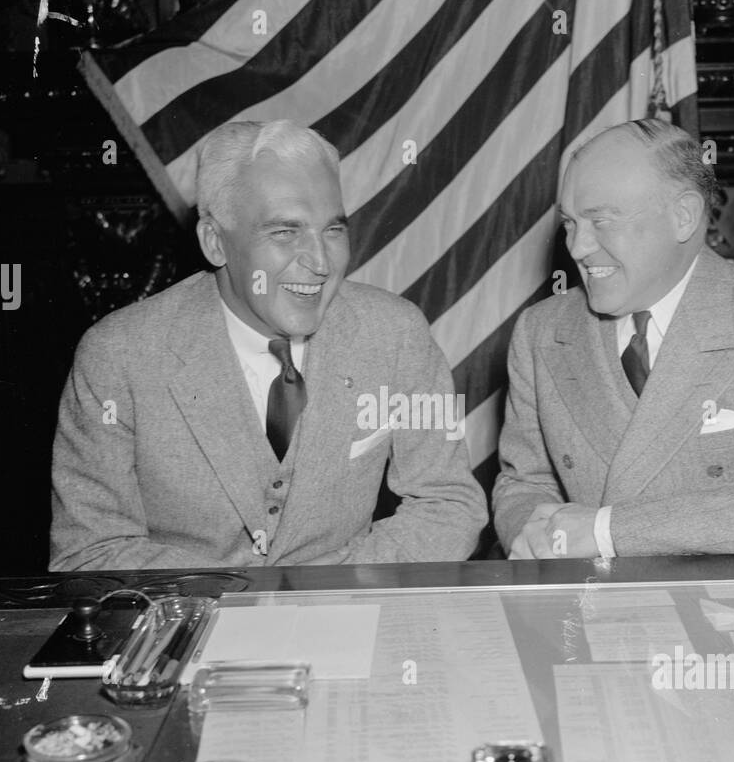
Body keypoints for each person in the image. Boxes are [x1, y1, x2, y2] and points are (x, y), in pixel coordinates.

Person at [50, 119, 486, 570]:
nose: (320, 263)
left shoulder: (397, 333)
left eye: (333, 231)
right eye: (285, 232)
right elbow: (90, 551)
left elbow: (450, 505)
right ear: (215, 242)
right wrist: (241, 603)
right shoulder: (117, 355)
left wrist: (327, 589)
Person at [493, 119, 734, 559]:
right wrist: (528, 535)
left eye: (601, 221)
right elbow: (524, 482)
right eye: (570, 223)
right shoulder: (541, 331)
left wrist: (607, 531)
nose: (578, 247)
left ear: (683, 216)